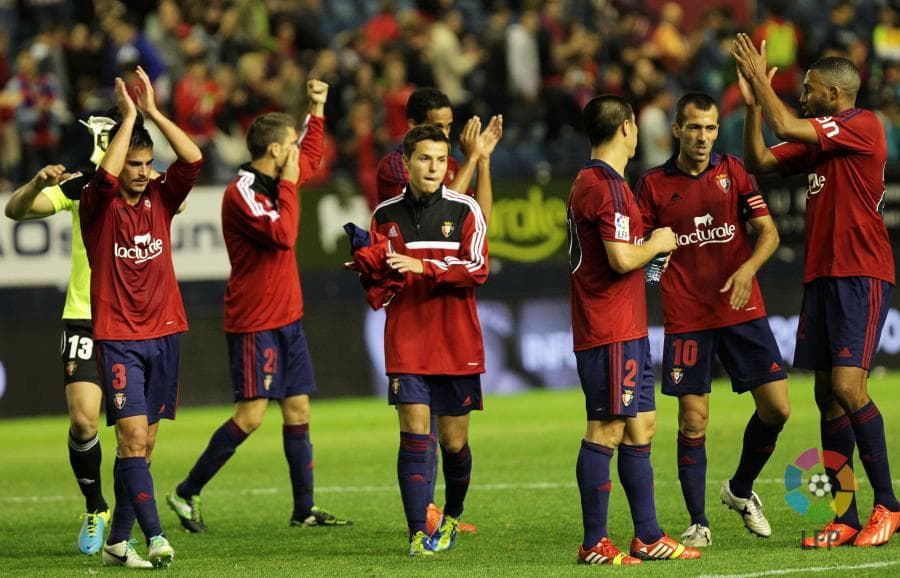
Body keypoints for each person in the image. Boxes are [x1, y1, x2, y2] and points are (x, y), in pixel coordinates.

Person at [733, 36, 899, 547]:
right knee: (828, 399)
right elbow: (759, 158)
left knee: (850, 389)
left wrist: (763, 82)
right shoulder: (822, 142)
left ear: (833, 93)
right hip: (822, 276)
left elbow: (783, 122)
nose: (802, 96)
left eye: (808, 90)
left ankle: (889, 507)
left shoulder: (862, 126)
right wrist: (749, 106)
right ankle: (845, 517)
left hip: (860, 273)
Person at [166, 79, 351, 532]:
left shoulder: (277, 176)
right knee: (250, 417)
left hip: (287, 316)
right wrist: (290, 184)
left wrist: (317, 107)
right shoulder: (243, 193)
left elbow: (310, 154)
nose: (297, 153)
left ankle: (303, 509)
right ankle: (186, 493)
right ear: (273, 150)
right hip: (255, 321)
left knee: (299, 410)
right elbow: (285, 234)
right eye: (290, 145)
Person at [635, 92, 791, 547]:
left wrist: (747, 269)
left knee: (778, 409)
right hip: (688, 316)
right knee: (693, 420)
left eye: (710, 128)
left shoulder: (734, 172)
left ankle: (740, 489)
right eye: (694, 128)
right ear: (676, 130)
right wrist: (654, 269)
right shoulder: (653, 185)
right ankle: (699, 521)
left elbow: (768, 232)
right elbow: (648, 254)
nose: (703, 137)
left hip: (742, 308)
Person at [79, 66, 203, 569]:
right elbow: (105, 176)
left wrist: (152, 111)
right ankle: (155, 538)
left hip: (166, 332)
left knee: (144, 444)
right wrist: (128, 116)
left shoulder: (161, 197)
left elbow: (193, 158)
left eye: (148, 163)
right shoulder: (98, 206)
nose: (142, 171)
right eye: (135, 163)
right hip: (120, 337)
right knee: (131, 438)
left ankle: (117, 541)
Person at [567, 95, 698, 565]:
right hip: (609, 327)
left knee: (641, 425)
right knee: (606, 427)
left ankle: (647, 536)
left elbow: (627, 258)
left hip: (626, 324)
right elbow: (622, 258)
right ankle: (594, 543)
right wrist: (658, 242)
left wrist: (651, 252)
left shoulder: (598, 182)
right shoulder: (605, 187)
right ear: (626, 128)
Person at [374, 86, 501, 536]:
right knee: (413, 432)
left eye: (441, 159)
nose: (434, 167)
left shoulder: (465, 210)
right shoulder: (385, 214)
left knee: (454, 442)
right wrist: (370, 273)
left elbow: (477, 267)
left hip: (455, 341)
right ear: (406, 162)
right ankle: (417, 532)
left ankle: (451, 515)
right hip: (407, 339)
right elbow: (381, 285)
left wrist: (422, 267)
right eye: (425, 158)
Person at [4, 115, 116, 557]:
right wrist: (35, 182)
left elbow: (180, 200)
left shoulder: (147, 183)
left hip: (136, 318)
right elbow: (15, 211)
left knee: (137, 434)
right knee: (84, 419)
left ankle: (132, 516)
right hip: (85, 315)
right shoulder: (80, 189)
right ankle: (95, 506)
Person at [375, 86, 502, 221]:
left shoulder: (451, 165)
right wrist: (470, 159)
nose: (445, 134)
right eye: (438, 127)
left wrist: (482, 159)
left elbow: (480, 221)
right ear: (413, 125)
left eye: (448, 126)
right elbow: (436, 215)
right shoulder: (394, 165)